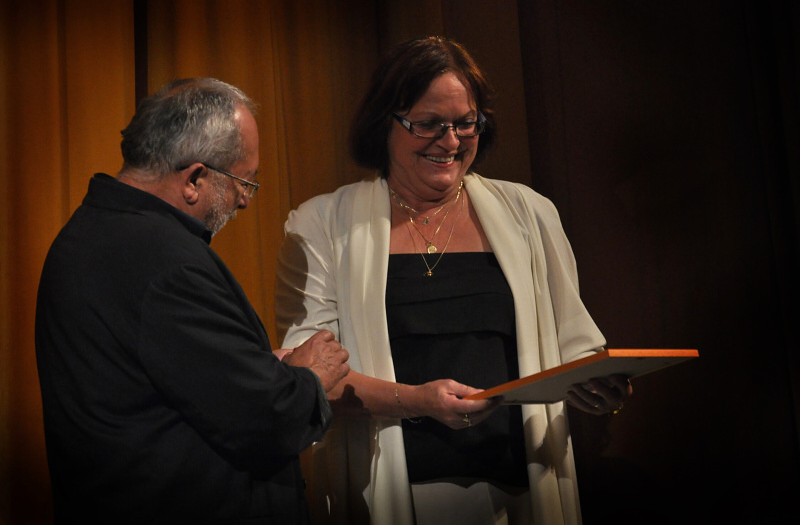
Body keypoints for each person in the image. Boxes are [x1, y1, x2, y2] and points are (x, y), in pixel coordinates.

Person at [275, 37, 632, 525]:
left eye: (466, 123)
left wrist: (596, 383)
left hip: (518, 495)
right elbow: (309, 378)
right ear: (384, 123)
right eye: (428, 124)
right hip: (391, 494)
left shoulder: (529, 213)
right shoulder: (321, 224)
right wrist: (417, 402)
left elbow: (573, 344)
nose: (451, 142)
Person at [34, 78, 350, 524]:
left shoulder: (88, 230)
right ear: (195, 178)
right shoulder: (162, 260)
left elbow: (179, 380)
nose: (245, 200)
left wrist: (260, 368)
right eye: (243, 181)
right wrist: (309, 379)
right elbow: (265, 418)